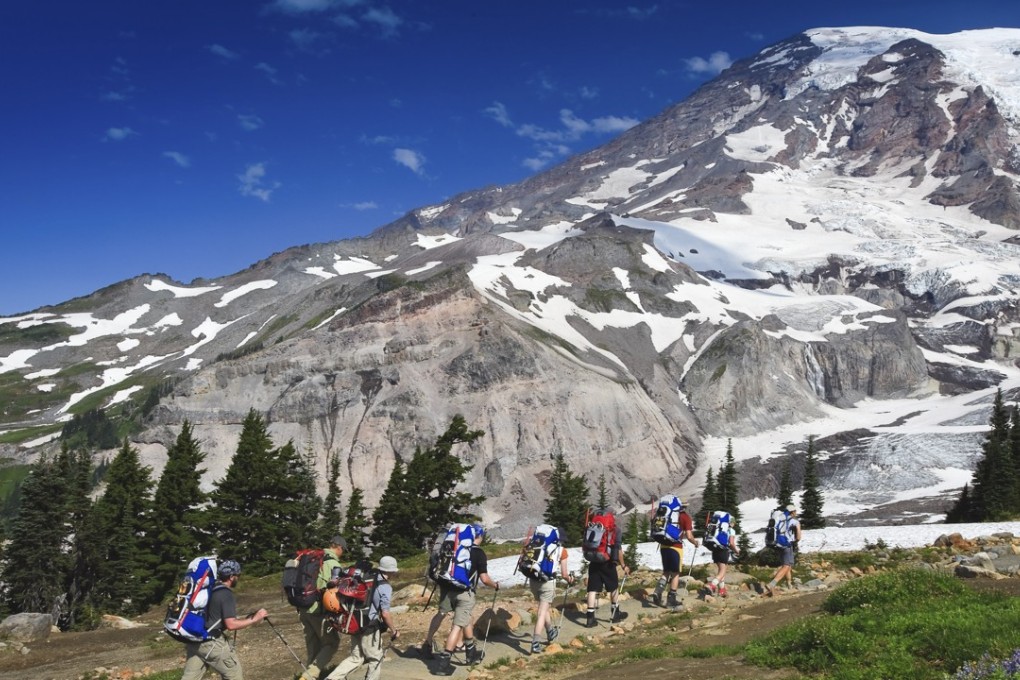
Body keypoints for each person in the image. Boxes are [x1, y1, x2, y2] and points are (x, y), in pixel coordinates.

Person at [427, 524, 500, 676]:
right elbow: (484, 579)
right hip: (464, 593)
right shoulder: (479, 553)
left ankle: (470, 652)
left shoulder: (455, 547)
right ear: (479, 536)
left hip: (448, 589)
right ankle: (444, 663)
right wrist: (495, 585)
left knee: (464, 618)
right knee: (457, 625)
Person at [181, 560, 267, 680]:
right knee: (234, 674)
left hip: (195, 640)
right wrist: (255, 619)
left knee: (189, 677)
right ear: (232, 577)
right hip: (212, 643)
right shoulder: (225, 594)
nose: (238, 578)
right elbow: (231, 625)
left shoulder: (210, 588)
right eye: (238, 576)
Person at [324, 556, 400, 680]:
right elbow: (385, 613)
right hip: (369, 626)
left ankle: (331, 678)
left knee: (356, 658)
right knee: (375, 659)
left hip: (353, 621)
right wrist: (394, 630)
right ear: (391, 571)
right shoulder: (385, 586)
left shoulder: (365, 579)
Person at [299, 535, 347, 680]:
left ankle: (310, 676)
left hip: (303, 607)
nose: (342, 553)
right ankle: (308, 676)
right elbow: (329, 590)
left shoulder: (312, 557)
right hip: (318, 610)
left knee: (313, 647)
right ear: (338, 547)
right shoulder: (332, 563)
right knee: (332, 643)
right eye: (343, 550)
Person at [525, 529, 573, 654]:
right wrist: (569, 578)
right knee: (542, 612)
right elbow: (564, 574)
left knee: (543, 607)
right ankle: (535, 642)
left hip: (534, 580)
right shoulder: (561, 551)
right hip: (548, 582)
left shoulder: (537, 545)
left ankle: (550, 631)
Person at [584, 513, 630, 626]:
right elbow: (618, 549)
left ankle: (590, 618)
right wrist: (623, 565)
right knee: (613, 587)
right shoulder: (614, 530)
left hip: (594, 560)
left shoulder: (593, 527)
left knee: (592, 589)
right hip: (607, 562)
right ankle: (615, 613)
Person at [651, 502, 698, 611]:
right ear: (684, 507)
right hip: (676, 547)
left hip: (663, 546)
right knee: (675, 573)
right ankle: (671, 600)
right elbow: (689, 536)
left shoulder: (665, 515)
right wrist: (695, 542)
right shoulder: (685, 517)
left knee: (666, 571)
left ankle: (657, 592)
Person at [764, 505, 802, 596]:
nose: (796, 513)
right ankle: (771, 584)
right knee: (786, 565)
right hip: (786, 544)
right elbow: (799, 536)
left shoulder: (779, 517)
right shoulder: (794, 521)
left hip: (777, 544)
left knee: (787, 566)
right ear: (792, 512)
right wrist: (795, 541)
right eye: (795, 511)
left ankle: (789, 585)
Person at [706, 516, 740, 598]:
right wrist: (736, 551)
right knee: (722, 571)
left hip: (715, 549)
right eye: (733, 522)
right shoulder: (731, 530)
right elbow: (731, 543)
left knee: (721, 570)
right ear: (731, 523)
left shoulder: (718, 529)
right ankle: (712, 585)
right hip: (723, 550)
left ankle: (722, 590)